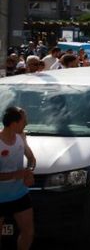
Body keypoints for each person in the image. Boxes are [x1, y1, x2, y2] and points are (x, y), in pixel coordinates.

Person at [0, 107, 36, 250]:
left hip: (20, 195)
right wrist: (16, 175)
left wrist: (29, 172)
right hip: (0, 198)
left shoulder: (21, 137)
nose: (26, 124)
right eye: (23, 121)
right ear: (14, 123)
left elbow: (32, 159)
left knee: (28, 233)